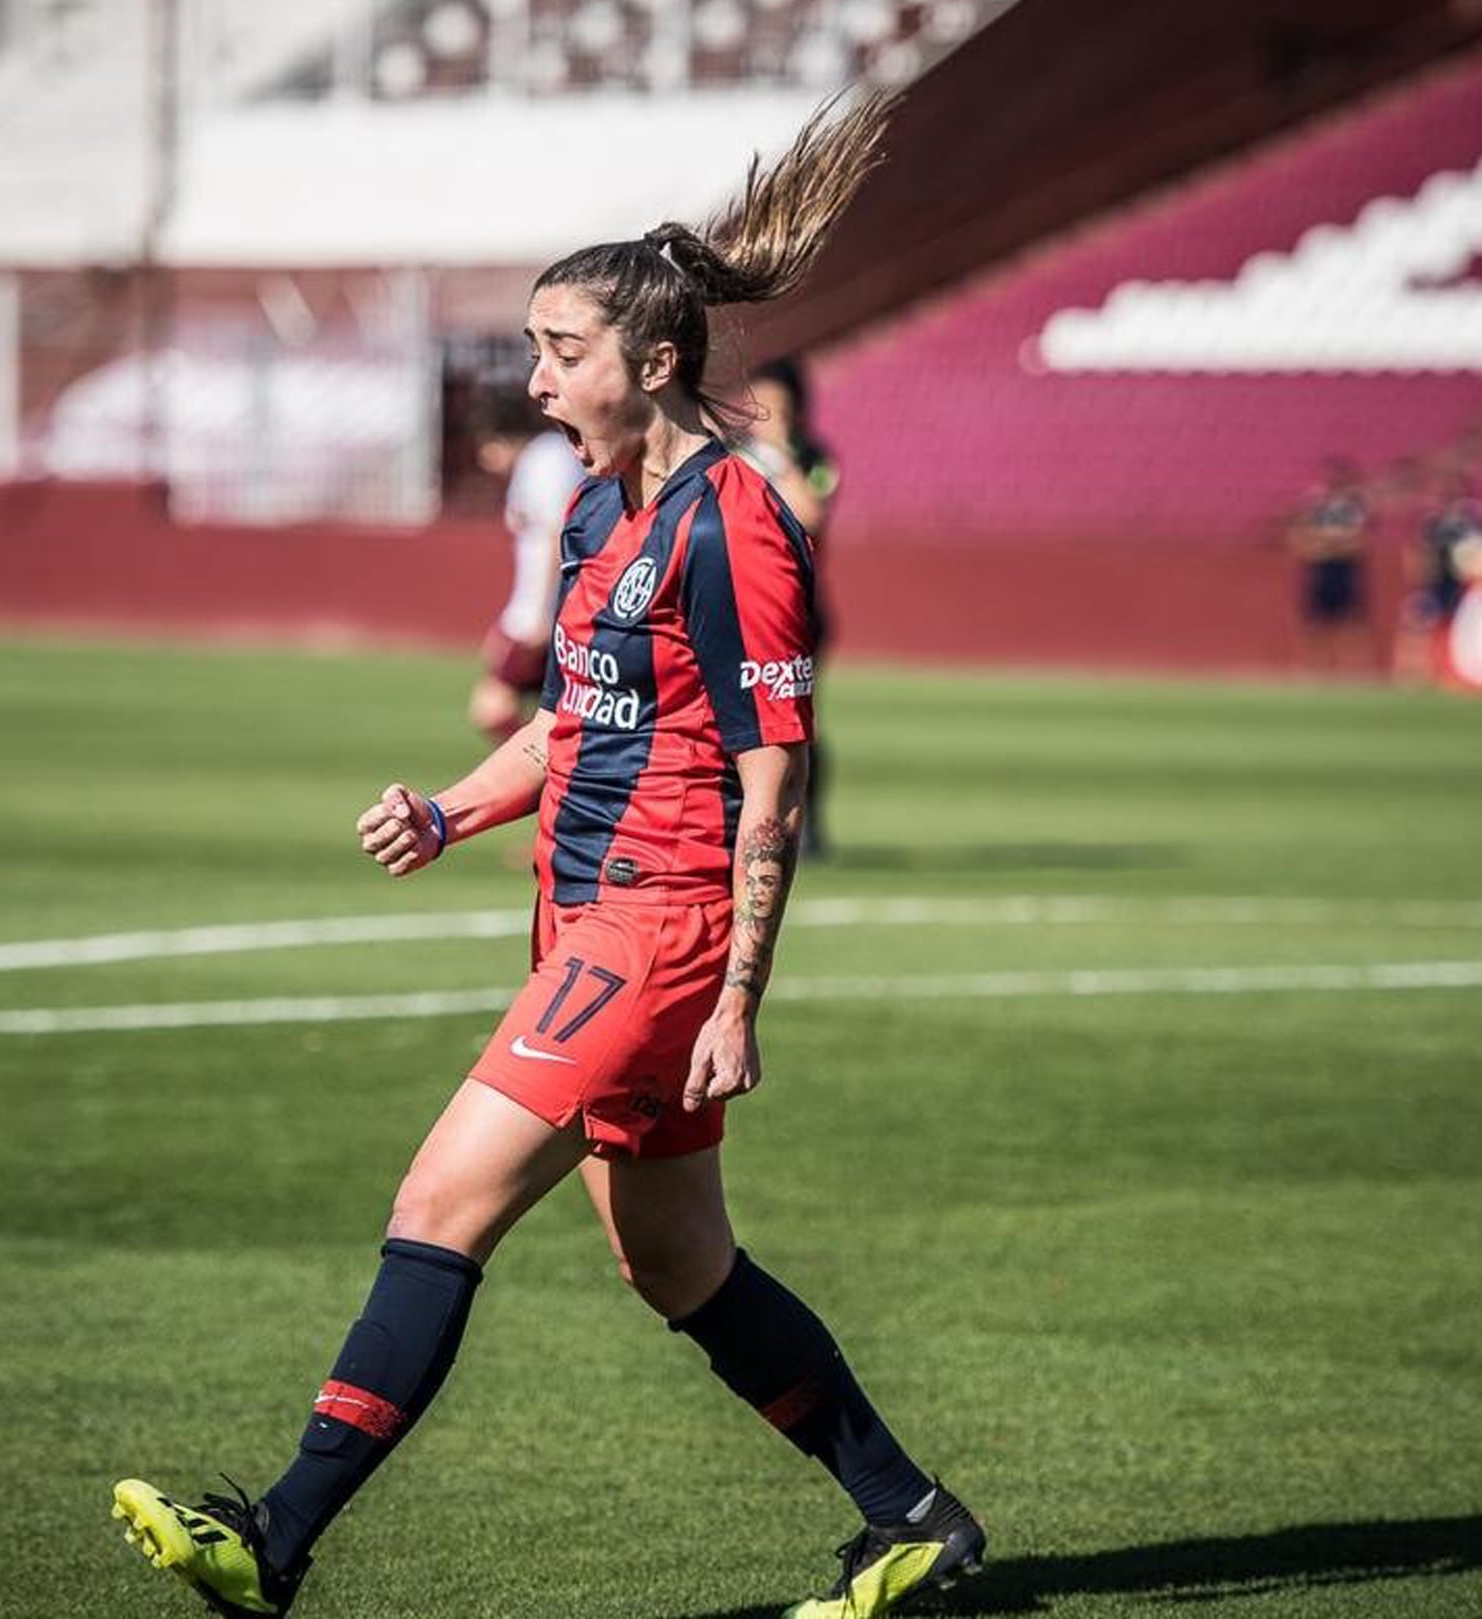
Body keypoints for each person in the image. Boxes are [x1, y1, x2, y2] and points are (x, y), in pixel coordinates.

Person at [111, 91, 986, 1619]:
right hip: (580, 917)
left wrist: (736, 1000)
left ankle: (276, 1536)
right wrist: (450, 808)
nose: (532, 377)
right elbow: (574, 726)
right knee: (675, 1263)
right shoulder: (595, 512)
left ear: (651, 360)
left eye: (558, 349)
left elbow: (771, 776)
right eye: (530, 345)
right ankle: (909, 1515)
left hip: (653, 936)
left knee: (438, 1202)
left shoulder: (733, 524)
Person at [735, 355, 840, 856]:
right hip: (735, 610)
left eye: (776, 406)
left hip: (795, 613)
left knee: (792, 723)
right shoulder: (727, 455)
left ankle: (807, 820)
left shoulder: (815, 458)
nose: (764, 415)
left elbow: (812, 514)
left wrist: (776, 455)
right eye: (758, 404)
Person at [469, 403, 585, 741]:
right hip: (534, 614)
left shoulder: (546, 460)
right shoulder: (538, 463)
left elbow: (554, 536)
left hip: (546, 616)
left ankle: (556, 779)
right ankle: (557, 779)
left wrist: (538, 616)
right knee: (552, 714)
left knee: (493, 709)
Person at [1393, 470, 1482, 684]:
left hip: (1463, 584)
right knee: (1417, 625)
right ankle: (1412, 673)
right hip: (1435, 582)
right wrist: (1418, 573)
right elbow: (1419, 549)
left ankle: (1456, 672)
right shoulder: (1434, 522)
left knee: (1459, 628)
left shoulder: (1475, 521)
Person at [1285, 457, 1374, 671]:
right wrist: (1330, 543)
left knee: (1352, 621)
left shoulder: (1354, 508)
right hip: (1320, 570)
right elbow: (1300, 536)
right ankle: (1313, 667)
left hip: (1345, 570)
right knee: (1313, 622)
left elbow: (1360, 541)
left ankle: (1355, 668)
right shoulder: (1315, 506)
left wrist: (1327, 543)